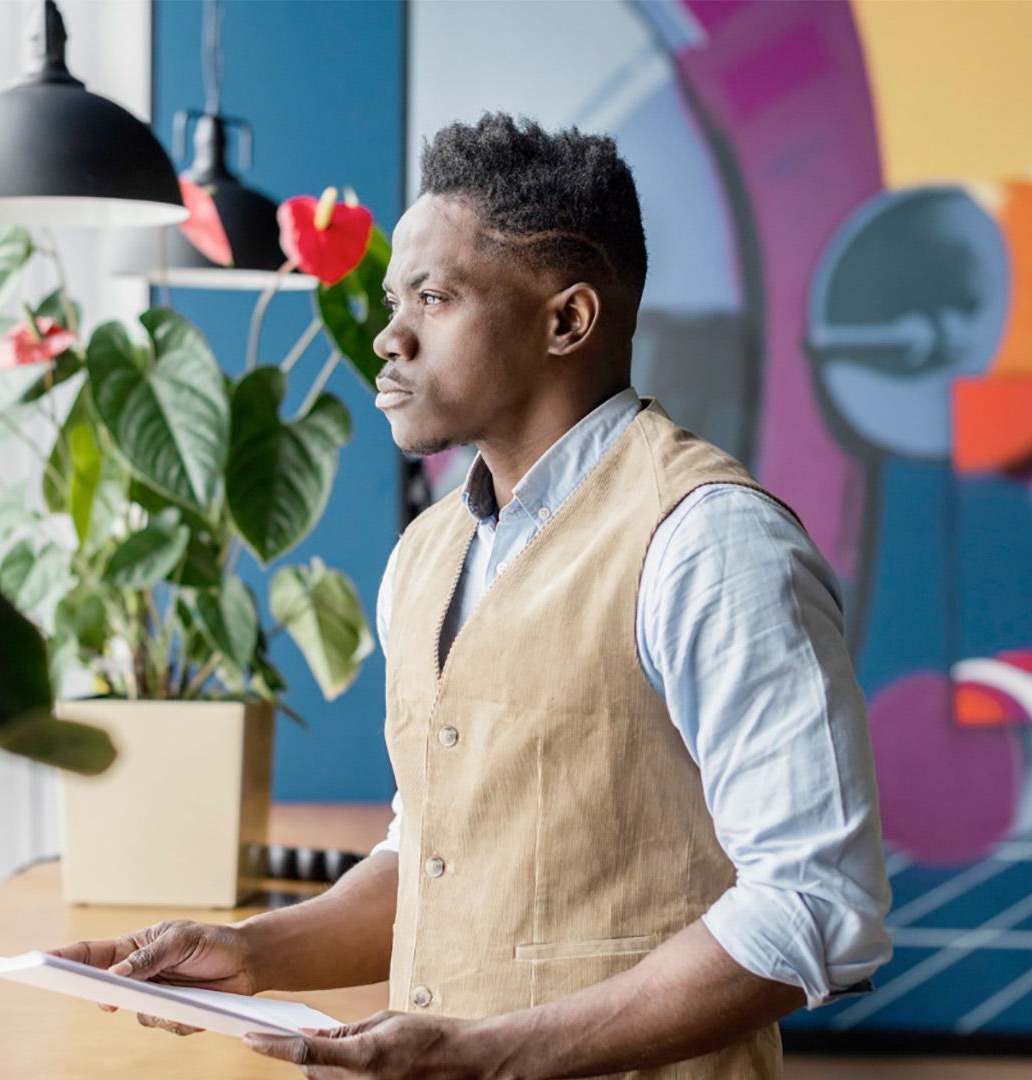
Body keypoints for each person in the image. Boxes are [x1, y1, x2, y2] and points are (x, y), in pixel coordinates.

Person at [50, 113, 891, 1080]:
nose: (387, 333)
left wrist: (491, 1055)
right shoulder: (427, 554)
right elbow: (438, 862)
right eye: (392, 296)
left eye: (433, 298)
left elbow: (817, 905)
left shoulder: (710, 543)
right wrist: (254, 951)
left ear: (566, 321)